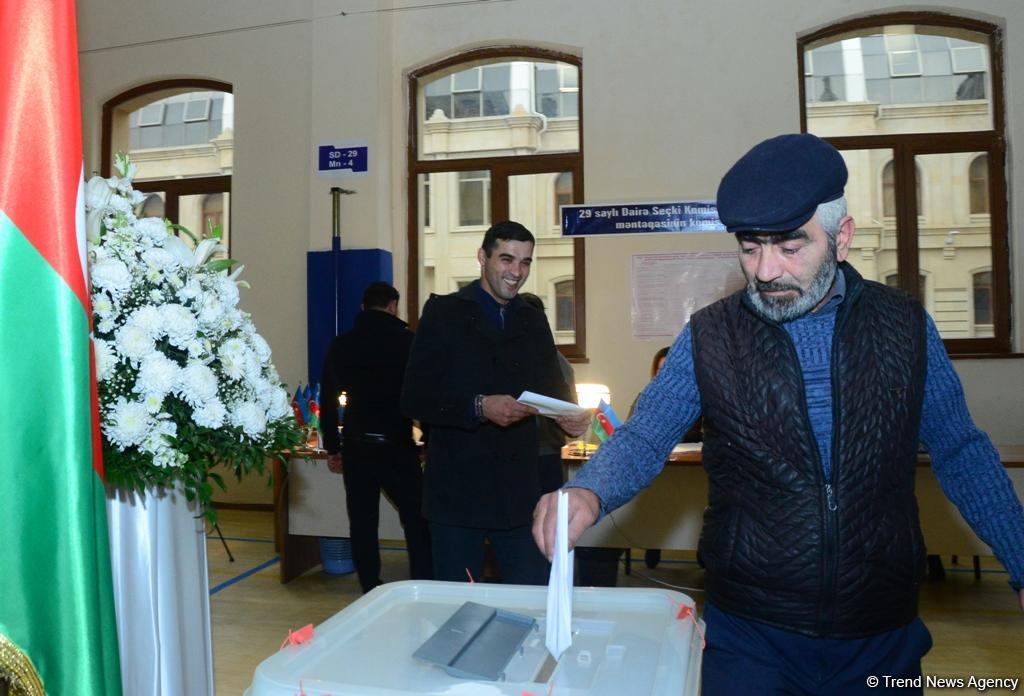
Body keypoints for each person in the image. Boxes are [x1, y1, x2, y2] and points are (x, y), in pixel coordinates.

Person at [533, 133, 1024, 695]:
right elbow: (646, 435)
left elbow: (961, 449)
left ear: (842, 238)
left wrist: (1021, 556)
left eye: (790, 247)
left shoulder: (905, 329)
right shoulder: (711, 336)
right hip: (751, 634)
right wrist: (590, 492)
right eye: (749, 247)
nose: (765, 271)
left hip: (880, 631)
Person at [402, 221, 590, 585]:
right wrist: (478, 406)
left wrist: (567, 418)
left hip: (519, 495)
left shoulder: (533, 319)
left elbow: (553, 392)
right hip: (457, 494)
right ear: (482, 258)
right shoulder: (443, 314)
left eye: (525, 262)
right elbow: (414, 397)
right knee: (459, 607)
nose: (516, 272)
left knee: (532, 600)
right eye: (506, 259)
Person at [319, 281, 432, 593]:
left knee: (363, 523)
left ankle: (370, 586)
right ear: (393, 306)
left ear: (362, 308)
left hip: (357, 446)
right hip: (397, 443)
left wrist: (332, 446)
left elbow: (328, 399)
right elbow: (422, 395)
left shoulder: (342, 345)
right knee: (417, 518)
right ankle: (422, 581)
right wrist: (429, 441)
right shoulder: (408, 342)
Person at [519, 292, 576, 494]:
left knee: (545, 516)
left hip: (544, 451)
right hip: (538, 451)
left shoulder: (554, 360)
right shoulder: (558, 359)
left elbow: (570, 411)